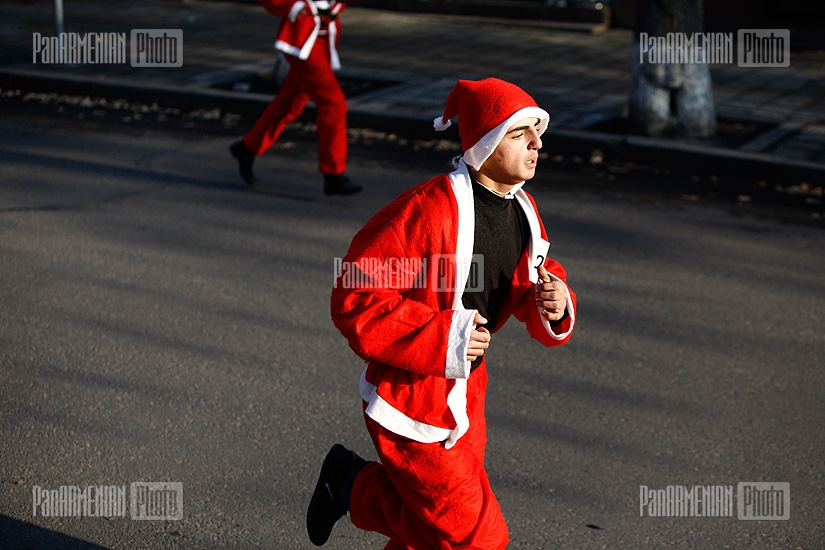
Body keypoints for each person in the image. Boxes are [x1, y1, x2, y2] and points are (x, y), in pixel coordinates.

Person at [307, 78, 577, 548]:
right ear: (486, 143)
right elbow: (353, 294)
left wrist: (551, 298)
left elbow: (532, 272)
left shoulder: (523, 210)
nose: (537, 143)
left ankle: (346, 483)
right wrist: (442, 336)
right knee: (478, 537)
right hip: (413, 400)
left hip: (467, 395)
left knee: (435, 537)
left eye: (538, 132)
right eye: (520, 133)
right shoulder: (429, 211)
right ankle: (351, 486)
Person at [229, 0, 362, 195]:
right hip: (302, 40)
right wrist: (294, 6)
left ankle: (247, 147)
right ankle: (333, 174)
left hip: (322, 36)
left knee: (291, 103)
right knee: (333, 104)